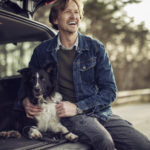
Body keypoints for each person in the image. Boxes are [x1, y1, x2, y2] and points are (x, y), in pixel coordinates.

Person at [16, 0, 150, 149]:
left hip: (99, 112)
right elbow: (27, 82)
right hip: (66, 115)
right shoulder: (41, 52)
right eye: (67, 12)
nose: (74, 16)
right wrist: (24, 101)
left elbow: (110, 92)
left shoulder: (95, 47)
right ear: (55, 19)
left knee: (142, 144)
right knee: (103, 140)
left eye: (76, 12)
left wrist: (78, 107)